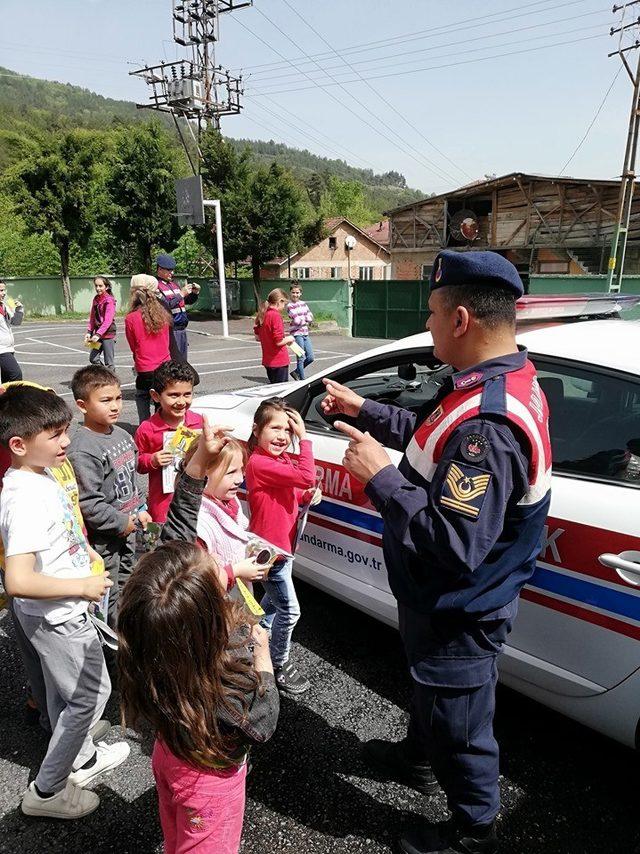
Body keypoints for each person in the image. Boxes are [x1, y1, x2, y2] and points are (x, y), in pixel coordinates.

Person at [321, 250, 551, 854]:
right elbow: (431, 432)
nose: (426, 325)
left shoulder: (490, 425)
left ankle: (472, 830)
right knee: (432, 696)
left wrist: (381, 476)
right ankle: (420, 759)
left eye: (431, 314)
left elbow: (452, 545)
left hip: (459, 609)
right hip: (434, 601)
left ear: (461, 320)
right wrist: (364, 410)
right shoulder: (493, 382)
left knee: (462, 728)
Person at [0, 384, 130, 820]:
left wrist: (84, 551)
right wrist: (80, 588)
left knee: (66, 693)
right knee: (90, 696)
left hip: (59, 611)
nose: (67, 442)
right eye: (55, 435)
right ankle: (47, 789)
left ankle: (84, 755)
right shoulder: (25, 497)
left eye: (65, 431)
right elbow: (18, 580)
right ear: (19, 444)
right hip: (60, 616)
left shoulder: (37, 475)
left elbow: (55, 537)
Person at [118, 543, 280, 854]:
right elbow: (263, 720)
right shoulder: (225, 671)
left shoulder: (153, 641)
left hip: (169, 752)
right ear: (208, 619)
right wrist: (262, 659)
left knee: (176, 833)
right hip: (208, 781)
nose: (222, 569)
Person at [67, 365, 151, 626]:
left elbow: (131, 479)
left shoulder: (123, 435)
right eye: (105, 400)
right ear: (82, 405)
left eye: (117, 398)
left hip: (131, 527)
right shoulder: (83, 448)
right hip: (106, 540)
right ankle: (112, 649)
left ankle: (128, 631)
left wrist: (139, 509)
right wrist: (122, 523)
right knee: (109, 594)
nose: (115, 406)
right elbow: (89, 502)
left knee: (132, 583)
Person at [244, 398, 317, 694]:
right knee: (291, 611)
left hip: (283, 549)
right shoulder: (260, 462)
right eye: (275, 428)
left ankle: (254, 641)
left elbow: (294, 491)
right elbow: (306, 475)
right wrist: (305, 438)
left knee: (272, 605)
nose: (282, 436)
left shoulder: (279, 460)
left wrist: (304, 498)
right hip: (271, 553)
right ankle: (278, 663)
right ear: (256, 430)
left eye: (288, 430)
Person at [134, 360, 204, 525]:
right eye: (173, 395)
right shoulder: (147, 429)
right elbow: (136, 463)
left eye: (187, 394)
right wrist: (152, 460)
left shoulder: (198, 422)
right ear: (155, 396)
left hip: (197, 501)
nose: (181, 401)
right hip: (163, 505)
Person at [196, 438, 267, 591]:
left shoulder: (230, 501)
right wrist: (236, 571)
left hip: (237, 592)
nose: (240, 479)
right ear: (203, 474)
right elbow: (199, 579)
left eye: (242, 470)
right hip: (217, 601)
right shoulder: (199, 523)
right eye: (231, 472)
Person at [124, 274, 171, 423]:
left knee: (142, 395)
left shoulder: (131, 318)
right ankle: (161, 426)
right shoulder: (163, 315)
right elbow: (167, 342)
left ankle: (144, 425)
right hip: (164, 364)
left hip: (145, 366)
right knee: (161, 399)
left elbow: (133, 346)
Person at [155, 253, 200, 361]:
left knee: (183, 361)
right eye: (169, 270)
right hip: (171, 329)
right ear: (160, 269)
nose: (172, 273)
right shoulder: (156, 286)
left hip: (182, 329)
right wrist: (181, 294)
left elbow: (186, 301)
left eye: (172, 270)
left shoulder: (173, 284)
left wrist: (195, 293)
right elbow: (166, 305)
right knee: (175, 362)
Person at [254, 288, 294, 384]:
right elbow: (278, 341)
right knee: (281, 392)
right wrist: (290, 338)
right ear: (279, 301)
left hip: (268, 361)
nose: (284, 307)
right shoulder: (275, 316)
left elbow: (257, 337)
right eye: (284, 304)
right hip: (279, 360)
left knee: (273, 389)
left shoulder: (264, 314)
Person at [84, 276, 117, 370]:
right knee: (93, 359)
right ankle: (105, 374)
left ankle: (112, 381)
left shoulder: (109, 300)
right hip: (97, 335)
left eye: (100, 286)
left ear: (106, 287)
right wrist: (89, 332)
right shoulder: (96, 299)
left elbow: (108, 320)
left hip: (108, 335)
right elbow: (92, 317)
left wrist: (98, 334)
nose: (98, 288)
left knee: (109, 363)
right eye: (96, 286)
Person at [287, 282, 314, 381]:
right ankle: (303, 380)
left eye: (297, 292)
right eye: (293, 292)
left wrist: (306, 320)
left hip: (305, 333)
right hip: (296, 334)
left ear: (301, 293)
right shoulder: (289, 306)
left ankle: (296, 372)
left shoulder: (303, 304)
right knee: (301, 357)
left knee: (310, 357)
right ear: (290, 293)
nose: (295, 295)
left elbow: (310, 316)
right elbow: (296, 321)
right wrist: (306, 320)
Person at [0, 278, 24, 382]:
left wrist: (19, 309)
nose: (4, 293)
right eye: (0, 290)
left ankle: (6, 398)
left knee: (7, 380)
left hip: (9, 348)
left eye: (4, 290)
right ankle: (16, 398)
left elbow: (16, 322)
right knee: (16, 374)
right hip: (1, 349)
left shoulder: (4, 305)